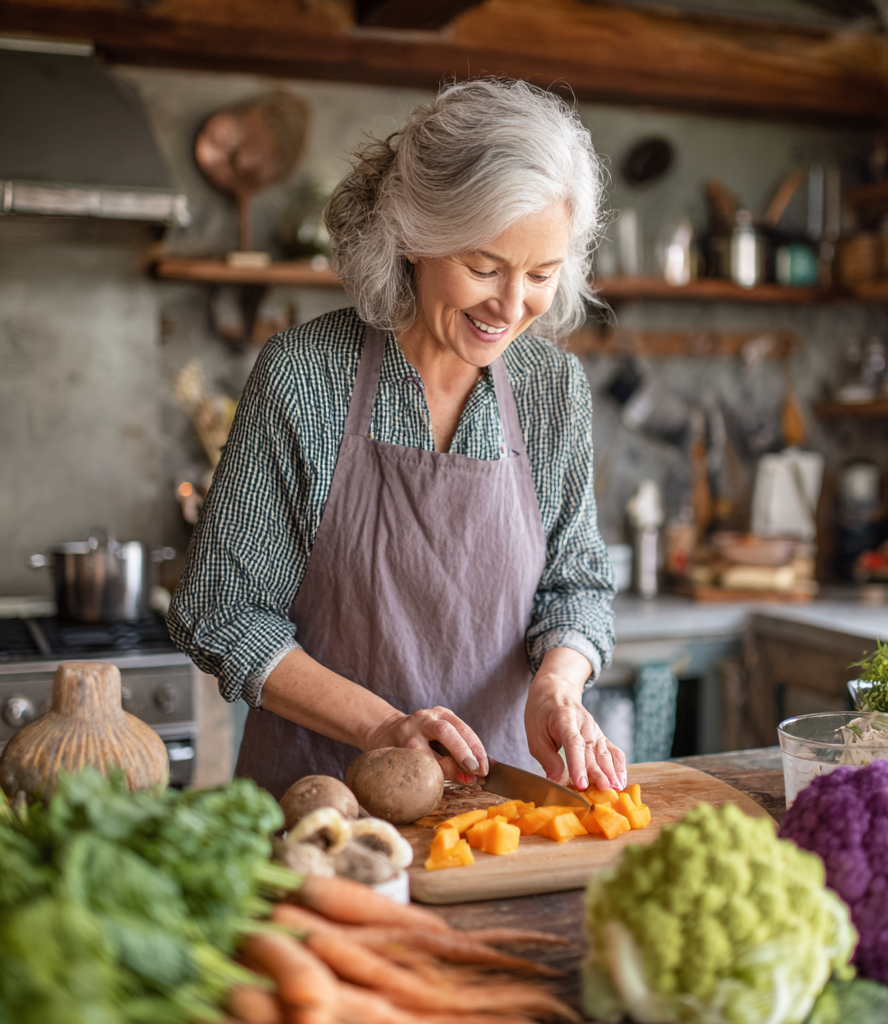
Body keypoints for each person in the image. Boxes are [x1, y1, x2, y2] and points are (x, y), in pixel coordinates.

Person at [169, 77, 622, 800]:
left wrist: (558, 687)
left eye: (541, 274)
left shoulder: (552, 391)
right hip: (318, 804)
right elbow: (218, 609)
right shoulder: (304, 379)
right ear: (413, 237)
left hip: (499, 804)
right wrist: (384, 729)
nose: (511, 306)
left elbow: (577, 586)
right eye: (484, 267)